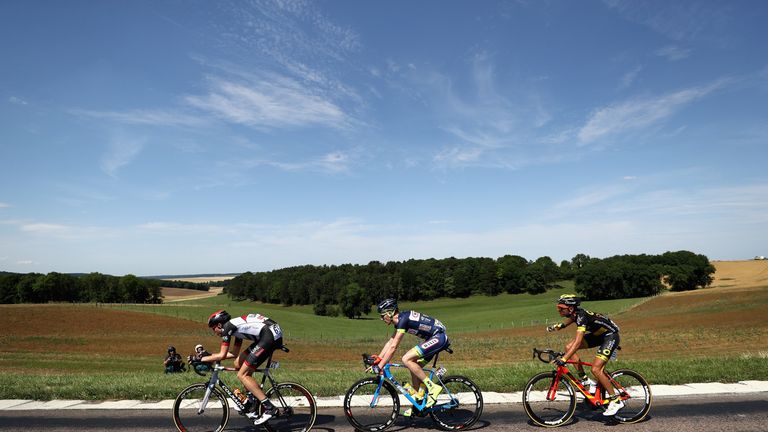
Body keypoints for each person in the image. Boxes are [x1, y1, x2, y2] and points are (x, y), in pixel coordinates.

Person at [200, 310, 284, 426]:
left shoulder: (228, 327)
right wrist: (211, 356)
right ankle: (251, 402)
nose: (214, 332)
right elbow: (234, 353)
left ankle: (269, 408)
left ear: (219, 325)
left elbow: (222, 355)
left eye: (213, 328)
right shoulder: (234, 328)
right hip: (269, 334)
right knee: (238, 364)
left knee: (242, 375)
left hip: (268, 336)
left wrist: (201, 359)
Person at [546, 294, 624, 416]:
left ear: (570, 308)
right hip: (599, 335)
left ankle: (616, 400)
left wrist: (564, 358)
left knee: (596, 369)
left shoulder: (581, 317)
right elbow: (571, 320)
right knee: (568, 347)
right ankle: (585, 380)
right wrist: (560, 326)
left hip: (610, 336)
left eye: (561, 308)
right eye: (558, 307)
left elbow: (577, 343)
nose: (559, 310)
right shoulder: (575, 313)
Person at [371, 298, 450, 417]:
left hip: (438, 337)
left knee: (406, 359)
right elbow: (390, 341)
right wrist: (379, 358)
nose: (381, 319)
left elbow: (393, 347)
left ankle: (432, 387)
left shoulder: (403, 319)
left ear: (390, 312)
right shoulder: (401, 320)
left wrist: (380, 366)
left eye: (382, 316)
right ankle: (418, 404)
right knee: (413, 365)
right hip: (434, 338)